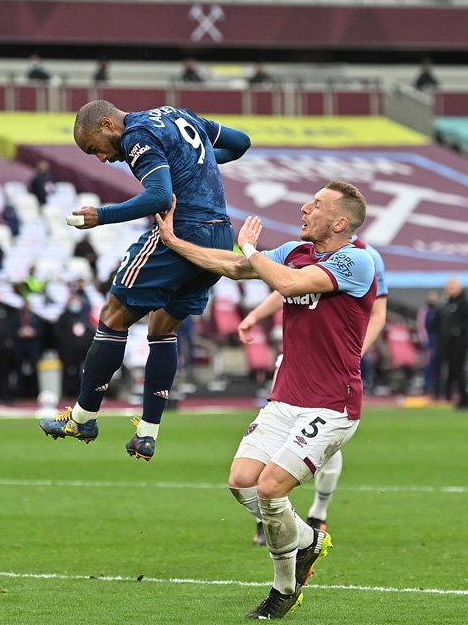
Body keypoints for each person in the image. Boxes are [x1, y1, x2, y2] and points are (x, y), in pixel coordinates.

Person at [153, 181, 376, 618]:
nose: (304, 206)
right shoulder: (295, 251)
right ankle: (309, 540)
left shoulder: (357, 261)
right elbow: (236, 267)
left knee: (272, 487)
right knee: (241, 482)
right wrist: (176, 242)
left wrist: (252, 250)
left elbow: (290, 287)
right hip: (286, 398)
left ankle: (284, 588)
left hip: (332, 405)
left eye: (317, 204)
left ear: (340, 221)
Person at [38, 100, 250, 461]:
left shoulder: (137, 135)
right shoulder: (178, 114)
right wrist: (193, 163)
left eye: (96, 149)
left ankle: (83, 417)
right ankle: (147, 433)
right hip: (220, 236)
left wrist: (100, 216)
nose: (102, 159)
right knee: (162, 328)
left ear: (108, 124)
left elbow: (159, 196)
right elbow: (241, 142)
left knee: (113, 313)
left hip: (181, 230)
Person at [237, 234, 389, 545]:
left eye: (319, 207)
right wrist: (255, 315)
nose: (308, 213)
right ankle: (271, 517)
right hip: (294, 363)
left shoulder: (366, 258)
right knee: (265, 453)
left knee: (326, 447)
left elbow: (378, 314)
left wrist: (351, 354)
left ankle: (317, 513)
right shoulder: (302, 250)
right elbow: (288, 284)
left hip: (332, 373)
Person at [433, 275, 468, 409]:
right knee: (449, 371)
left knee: (458, 371)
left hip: (459, 345)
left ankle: (465, 399)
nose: (451, 289)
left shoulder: (464, 303)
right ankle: (447, 396)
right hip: (446, 344)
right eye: (449, 286)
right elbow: (437, 323)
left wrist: (457, 330)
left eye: (454, 286)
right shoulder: (444, 304)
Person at [54, 293, 95, 401]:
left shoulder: (84, 318)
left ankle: (78, 393)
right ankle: (66, 394)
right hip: (67, 352)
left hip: (81, 351)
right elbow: (59, 334)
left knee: (80, 373)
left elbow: (90, 333)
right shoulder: (64, 317)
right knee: (67, 373)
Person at [416, 291, 439, 395]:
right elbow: (421, 326)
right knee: (428, 365)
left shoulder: (438, 310)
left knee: (437, 365)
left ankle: (436, 387)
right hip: (428, 341)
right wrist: (425, 341)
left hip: (437, 341)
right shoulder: (424, 310)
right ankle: (427, 387)